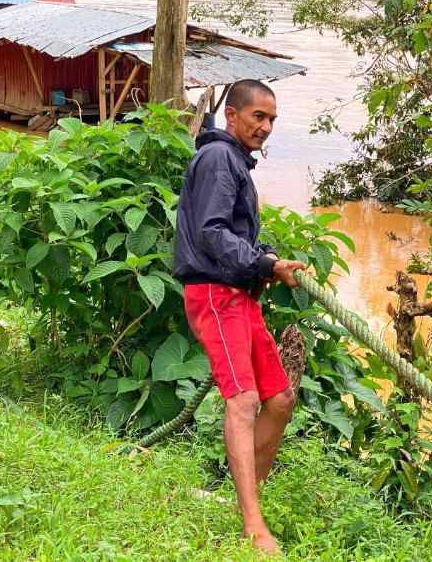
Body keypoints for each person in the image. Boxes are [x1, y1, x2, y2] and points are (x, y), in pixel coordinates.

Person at [173, 79, 307, 555]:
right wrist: (263, 265)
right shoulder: (217, 159)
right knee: (243, 400)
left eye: (272, 119)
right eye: (258, 117)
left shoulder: (233, 162)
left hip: (239, 295)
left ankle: (244, 502)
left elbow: (235, 236)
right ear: (232, 115)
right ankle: (254, 523)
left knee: (279, 399)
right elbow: (211, 235)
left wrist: (266, 259)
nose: (266, 127)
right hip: (214, 293)